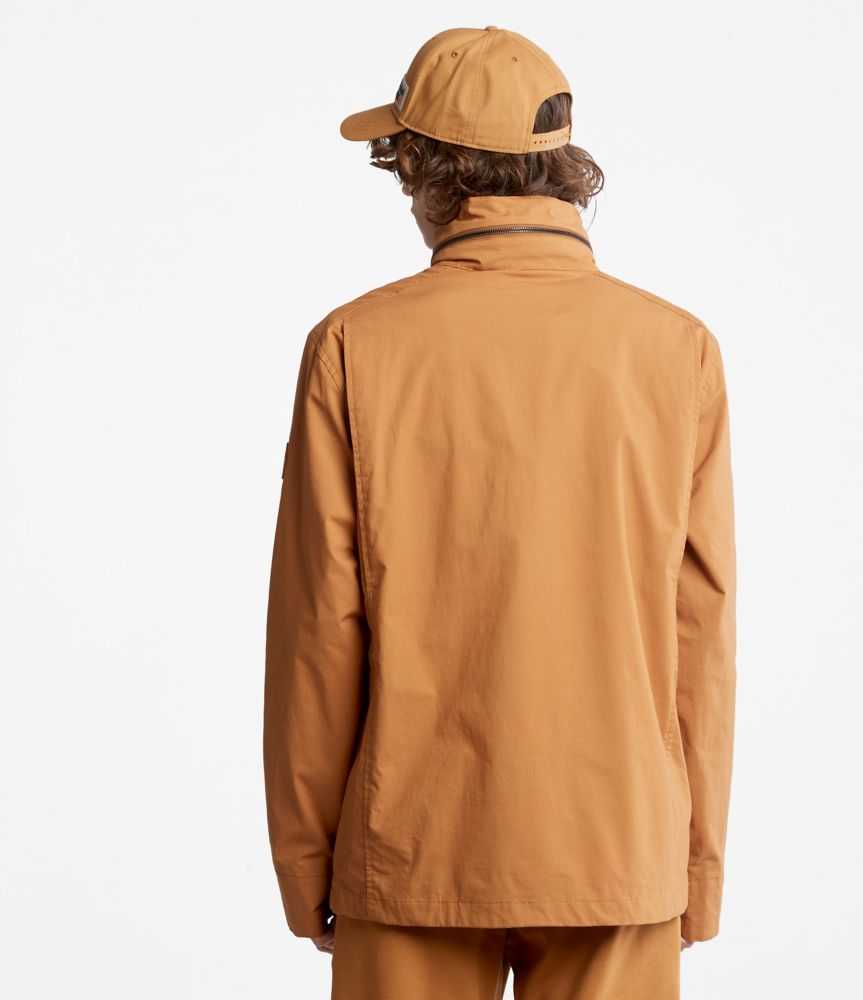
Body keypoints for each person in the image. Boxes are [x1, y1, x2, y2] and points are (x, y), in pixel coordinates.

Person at [263, 25, 737, 999]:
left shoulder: (354, 345)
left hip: (413, 844)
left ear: (420, 170)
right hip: (617, 846)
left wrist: (308, 862)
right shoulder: (675, 348)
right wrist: (693, 870)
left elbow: (318, 631)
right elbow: (700, 630)